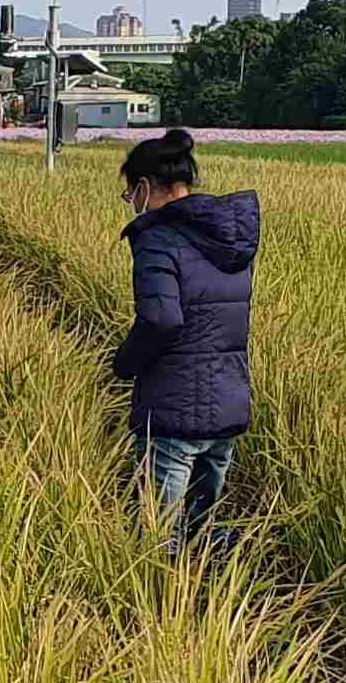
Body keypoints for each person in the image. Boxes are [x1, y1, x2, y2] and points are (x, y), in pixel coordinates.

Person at [108, 126, 259, 551]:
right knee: (202, 530)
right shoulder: (229, 238)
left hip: (175, 409)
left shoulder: (157, 239)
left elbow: (161, 320)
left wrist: (125, 363)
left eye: (129, 195)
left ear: (142, 188)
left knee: (161, 541)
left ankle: (164, 609)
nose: (131, 205)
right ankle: (214, 603)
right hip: (227, 400)